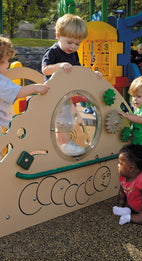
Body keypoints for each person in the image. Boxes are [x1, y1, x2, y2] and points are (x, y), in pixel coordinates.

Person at [41, 13, 102, 156]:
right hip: (54, 93)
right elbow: (45, 69)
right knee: (63, 120)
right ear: (58, 36)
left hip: (66, 94)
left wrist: (93, 75)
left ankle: (64, 143)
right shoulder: (53, 52)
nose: (73, 46)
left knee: (68, 119)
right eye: (69, 42)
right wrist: (60, 65)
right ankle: (64, 144)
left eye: (77, 44)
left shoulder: (73, 54)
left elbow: (78, 71)